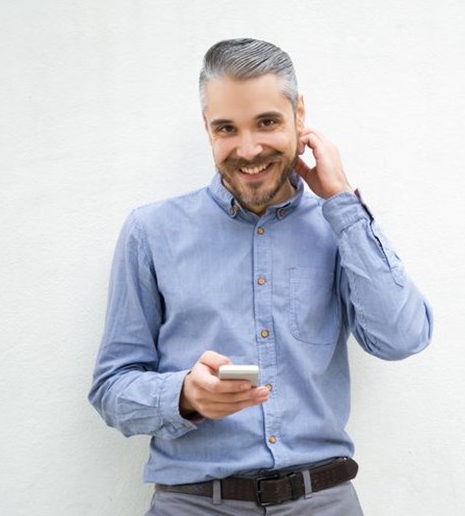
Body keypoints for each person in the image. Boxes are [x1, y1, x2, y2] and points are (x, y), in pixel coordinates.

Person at [88, 38, 433, 515]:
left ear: (299, 116)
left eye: (267, 122)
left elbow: (402, 337)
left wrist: (342, 202)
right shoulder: (150, 232)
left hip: (323, 501)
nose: (248, 149)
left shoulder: (338, 227)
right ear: (207, 129)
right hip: (194, 504)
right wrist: (184, 396)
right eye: (226, 128)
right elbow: (111, 388)